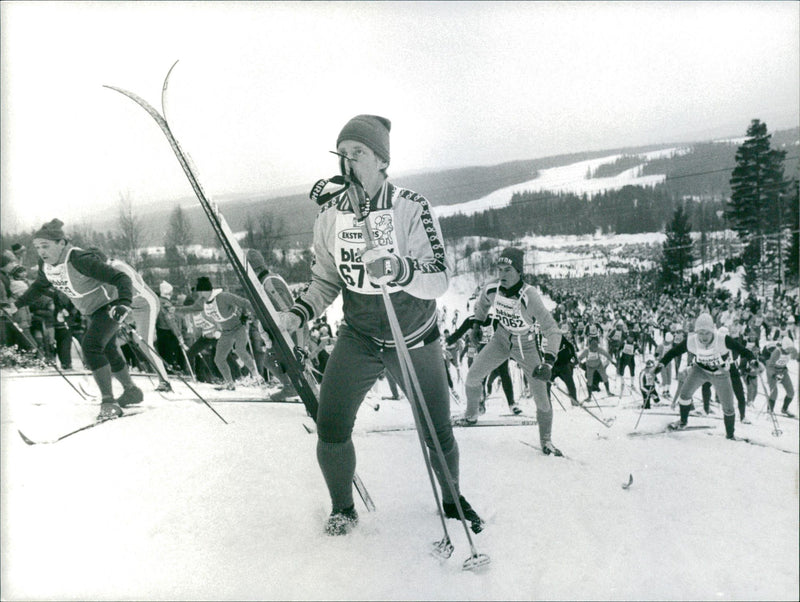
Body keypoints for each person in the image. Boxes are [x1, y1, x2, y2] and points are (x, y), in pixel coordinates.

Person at [279, 114, 483, 536]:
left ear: (382, 161)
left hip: (413, 337)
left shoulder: (412, 206)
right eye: (344, 154)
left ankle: (451, 499)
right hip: (359, 337)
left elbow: (439, 278)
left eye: (359, 153)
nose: (349, 162)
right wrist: (298, 313)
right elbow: (325, 281)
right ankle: (342, 508)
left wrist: (399, 268)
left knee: (436, 430)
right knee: (331, 424)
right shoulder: (330, 215)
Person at [14, 219, 141, 419]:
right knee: (107, 348)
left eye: (45, 246)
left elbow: (121, 278)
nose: (41, 252)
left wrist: (124, 302)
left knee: (91, 346)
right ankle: (131, 391)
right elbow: (39, 286)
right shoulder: (45, 264)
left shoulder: (79, 259)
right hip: (91, 311)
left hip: (109, 306)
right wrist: (17, 304)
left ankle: (109, 402)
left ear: (62, 243)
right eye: (37, 247)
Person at [460, 247, 563, 454]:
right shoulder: (492, 288)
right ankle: (471, 414)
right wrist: (476, 325)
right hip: (500, 339)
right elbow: (481, 305)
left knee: (541, 397)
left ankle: (546, 440)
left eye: (507, 270)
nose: (502, 275)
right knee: (472, 377)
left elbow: (552, 329)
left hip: (525, 345)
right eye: (499, 269)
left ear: (519, 271)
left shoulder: (530, 295)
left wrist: (549, 361)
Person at [655, 313, 755, 440]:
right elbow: (674, 352)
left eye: (707, 333)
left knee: (728, 407)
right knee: (685, 395)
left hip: (720, 374)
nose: (703, 337)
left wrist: (752, 360)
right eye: (700, 333)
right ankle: (683, 421)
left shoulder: (722, 339)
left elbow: (744, 351)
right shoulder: (692, 340)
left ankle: (730, 435)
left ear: (712, 331)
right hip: (700, 370)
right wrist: (662, 363)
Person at [176, 276, 260, 390]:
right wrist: (175, 309)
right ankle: (230, 383)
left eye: (202, 293)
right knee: (219, 359)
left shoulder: (223, 297)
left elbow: (244, 302)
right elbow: (192, 308)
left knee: (240, 350)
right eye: (199, 293)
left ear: (208, 290)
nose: (200, 296)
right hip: (226, 332)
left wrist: (253, 316)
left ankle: (256, 375)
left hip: (238, 327)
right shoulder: (203, 302)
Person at [765, 336, 798, 417]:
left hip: (783, 371)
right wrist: (774, 374)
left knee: (791, 392)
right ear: (784, 347)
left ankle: (785, 409)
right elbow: (769, 365)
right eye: (788, 348)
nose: (789, 351)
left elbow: (796, 356)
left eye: (791, 348)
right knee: (774, 393)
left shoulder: (792, 351)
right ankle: (770, 410)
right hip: (773, 372)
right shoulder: (777, 352)